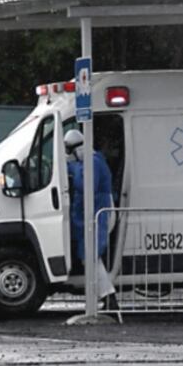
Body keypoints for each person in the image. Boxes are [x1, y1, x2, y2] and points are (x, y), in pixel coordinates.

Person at [64, 129, 118, 311]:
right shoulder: (91, 161)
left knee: (91, 257)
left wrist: (72, 168)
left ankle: (109, 297)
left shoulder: (92, 163)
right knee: (91, 257)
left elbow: (87, 186)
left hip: (98, 213)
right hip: (94, 214)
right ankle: (106, 297)